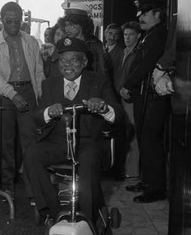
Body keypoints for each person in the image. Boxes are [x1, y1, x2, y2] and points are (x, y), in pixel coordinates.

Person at [23, 37, 122, 224]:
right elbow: (37, 117)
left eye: (74, 60)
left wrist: (103, 107)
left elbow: (119, 115)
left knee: (88, 159)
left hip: (87, 142)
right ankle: (54, 211)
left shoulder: (99, 82)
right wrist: (48, 112)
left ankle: (87, 217)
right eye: (62, 60)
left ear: (84, 62)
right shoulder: (49, 84)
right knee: (31, 155)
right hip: (57, 141)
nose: (67, 65)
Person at [0, 1, 45, 202]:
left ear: (21, 20)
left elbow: (38, 70)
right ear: (2, 20)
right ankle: (7, 186)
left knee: (30, 141)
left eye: (16, 21)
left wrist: (40, 94)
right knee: (6, 142)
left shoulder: (31, 41)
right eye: (8, 21)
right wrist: (12, 94)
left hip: (27, 91)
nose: (12, 24)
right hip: (5, 94)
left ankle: (32, 186)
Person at [120, 1, 170, 203]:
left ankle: (157, 188)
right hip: (143, 95)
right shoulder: (150, 34)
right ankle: (147, 181)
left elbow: (146, 63)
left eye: (145, 13)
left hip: (153, 96)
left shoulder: (159, 34)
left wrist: (128, 84)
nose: (141, 17)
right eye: (139, 13)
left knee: (150, 141)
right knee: (144, 139)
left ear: (157, 14)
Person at [110, 21, 143, 181]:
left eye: (130, 35)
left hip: (129, 98)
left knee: (134, 134)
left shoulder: (137, 53)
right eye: (125, 35)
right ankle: (125, 168)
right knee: (124, 134)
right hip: (119, 98)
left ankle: (133, 170)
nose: (127, 38)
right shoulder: (123, 52)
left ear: (138, 35)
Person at [60, 10, 105, 75]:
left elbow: (102, 69)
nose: (67, 29)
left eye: (71, 25)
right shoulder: (64, 43)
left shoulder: (95, 44)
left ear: (82, 25)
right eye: (66, 25)